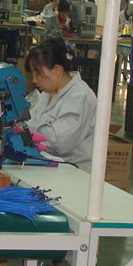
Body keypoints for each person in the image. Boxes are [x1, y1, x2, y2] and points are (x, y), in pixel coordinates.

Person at [24, 38, 96, 171]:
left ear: (57, 70)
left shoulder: (80, 96)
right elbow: (31, 120)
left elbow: (59, 141)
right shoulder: (48, 93)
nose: (34, 80)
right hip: (49, 164)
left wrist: (25, 129)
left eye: (38, 74)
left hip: (74, 172)